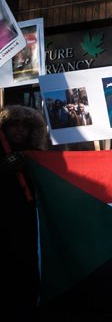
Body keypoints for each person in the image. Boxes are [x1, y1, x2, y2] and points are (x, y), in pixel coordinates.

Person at [0, 105, 48, 321]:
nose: (19, 130)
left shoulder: (38, 155)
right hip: (4, 222)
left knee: (28, 267)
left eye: (24, 127)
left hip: (29, 222)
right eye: (14, 125)